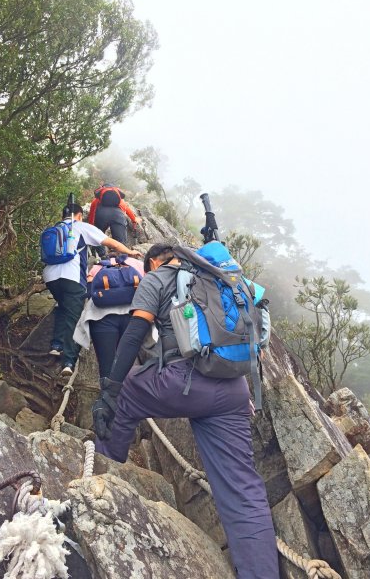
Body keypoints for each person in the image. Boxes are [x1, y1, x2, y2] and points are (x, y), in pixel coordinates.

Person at [91, 243, 280, 579]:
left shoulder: (158, 278)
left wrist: (109, 390)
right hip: (234, 391)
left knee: (126, 392)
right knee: (243, 490)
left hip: (182, 381)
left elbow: (135, 332)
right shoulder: (225, 280)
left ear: (151, 262)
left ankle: (103, 479)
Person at [43, 203, 141, 377]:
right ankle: (68, 362)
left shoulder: (54, 230)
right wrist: (130, 253)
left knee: (63, 307)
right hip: (71, 277)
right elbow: (110, 242)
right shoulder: (80, 227)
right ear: (79, 215)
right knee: (74, 317)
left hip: (50, 277)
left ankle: (56, 346)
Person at [73, 254, 146, 379]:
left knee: (106, 365)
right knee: (126, 364)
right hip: (131, 317)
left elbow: (91, 293)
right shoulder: (137, 264)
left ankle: (107, 396)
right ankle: (127, 395)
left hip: (101, 318)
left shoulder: (97, 267)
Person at [88, 183, 140, 256]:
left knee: (98, 236)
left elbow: (91, 216)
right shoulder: (120, 200)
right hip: (118, 215)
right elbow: (127, 209)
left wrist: (91, 229)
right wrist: (134, 219)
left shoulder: (96, 200)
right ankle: (120, 258)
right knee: (120, 242)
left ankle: (102, 256)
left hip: (101, 215)